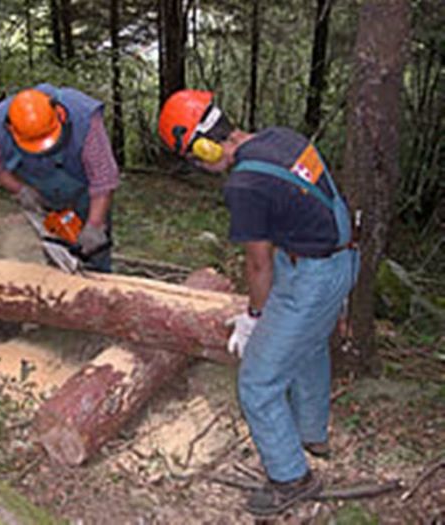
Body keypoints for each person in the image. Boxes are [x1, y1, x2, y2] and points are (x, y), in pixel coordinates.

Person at [158, 89, 360, 516]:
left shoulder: (245, 184)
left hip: (312, 273)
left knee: (257, 382)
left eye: (196, 159)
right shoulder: (281, 137)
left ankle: (291, 478)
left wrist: (254, 318)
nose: (201, 167)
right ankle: (311, 434)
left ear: (203, 146)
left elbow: (257, 264)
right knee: (307, 348)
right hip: (335, 256)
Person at [0, 83, 120, 272]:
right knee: (55, 248)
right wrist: (20, 190)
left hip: (84, 191)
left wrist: (95, 224)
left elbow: (104, 177)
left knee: (94, 250)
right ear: (11, 128)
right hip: (38, 189)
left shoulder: (84, 117)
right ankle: (57, 282)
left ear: (59, 114)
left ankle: (101, 284)